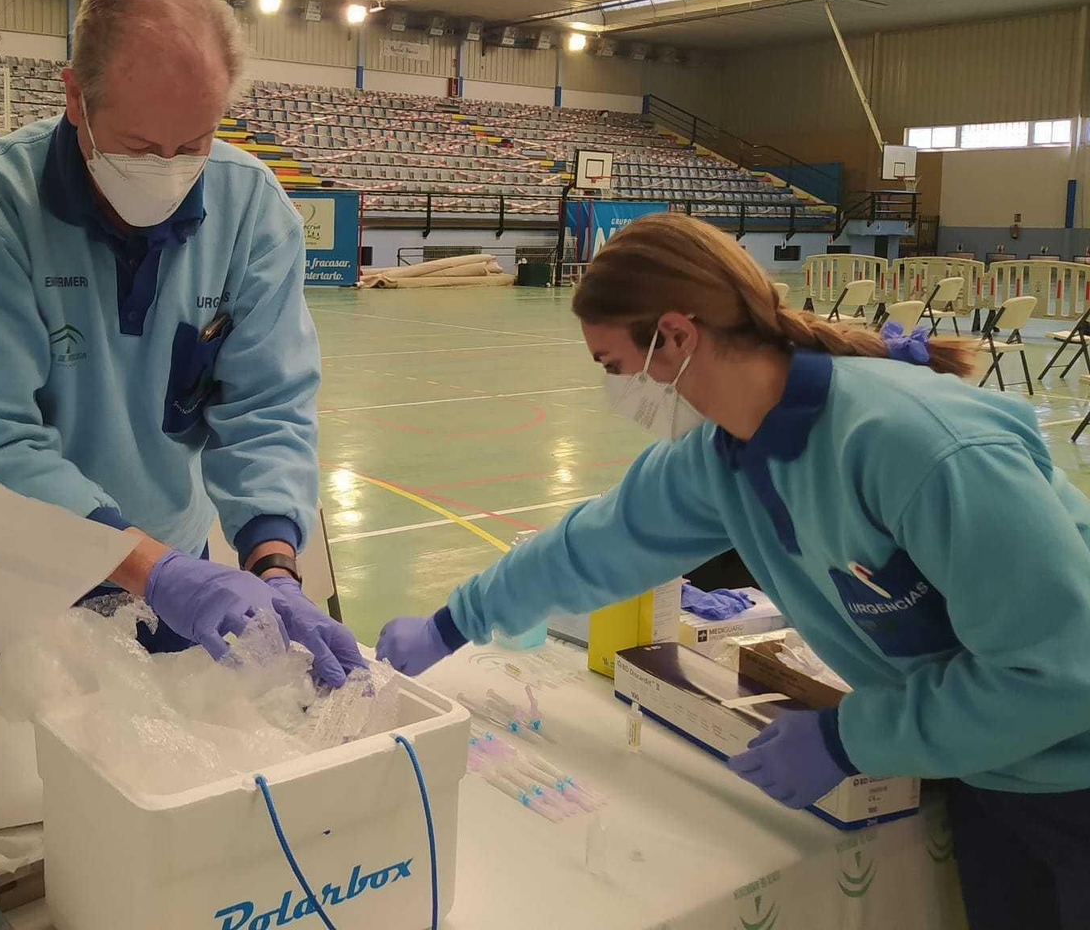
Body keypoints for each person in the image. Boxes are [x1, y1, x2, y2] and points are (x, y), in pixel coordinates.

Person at [377, 213, 1090, 930]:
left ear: (678, 336)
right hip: (990, 770)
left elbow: (1058, 673)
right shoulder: (722, 458)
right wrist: (452, 622)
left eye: (614, 367)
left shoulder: (917, 447)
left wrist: (851, 739)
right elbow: (590, 546)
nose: (617, 393)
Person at [0, 0, 360, 702]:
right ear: (74, 97)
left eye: (193, 143)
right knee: (21, 797)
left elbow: (267, 405)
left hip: (176, 574)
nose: (167, 168)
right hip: (18, 577)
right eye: (138, 146)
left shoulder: (249, 207)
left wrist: (274, 562)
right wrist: (146, 566)